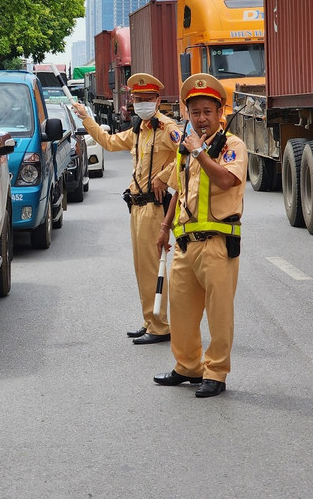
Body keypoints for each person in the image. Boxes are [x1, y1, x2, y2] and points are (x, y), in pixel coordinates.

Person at [154, 73, 248, 398]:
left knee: (219, 313)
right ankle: (187, 367)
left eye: (208, 111)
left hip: (217, 245)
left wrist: (198, 153)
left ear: (220, 112)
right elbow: (179, 192)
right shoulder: (186, 149)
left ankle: (216, 373)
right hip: (184, 244)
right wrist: (165, 227)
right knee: (180, 311)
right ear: (188, 114)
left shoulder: (232, 146)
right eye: (195, 112)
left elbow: (225, 181)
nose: (201, 118)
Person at [71, 73, 178, 345]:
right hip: (137, 207)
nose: (141, 103)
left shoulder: (168, 128)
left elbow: (189, 156)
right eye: (137, 99)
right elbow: (108, 143)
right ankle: (149, 319)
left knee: (153, 267)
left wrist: (165, 175)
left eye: (147, 99)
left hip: (154, 208)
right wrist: (86, 117)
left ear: (157, 100)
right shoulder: (137, 131)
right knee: (142, 267)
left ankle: (160, 325)